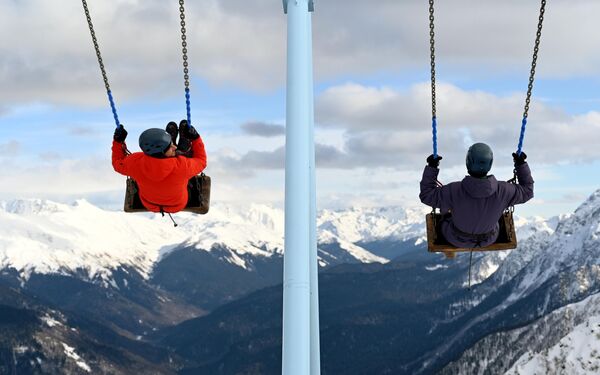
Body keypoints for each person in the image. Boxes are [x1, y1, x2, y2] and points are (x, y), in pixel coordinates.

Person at [419, 143, 534, 248]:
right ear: (490, 164)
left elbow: (426, 195)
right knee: (497, 220)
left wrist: (432, 167)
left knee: (444, 220)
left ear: (468, 162)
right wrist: (521, 164)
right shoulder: (504, 190)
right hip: (489, 239)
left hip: (456, 238)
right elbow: (527, 191)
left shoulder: (453, 190)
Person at [112, 120, 207, 213]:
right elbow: (201, 161)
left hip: (150, 204)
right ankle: (182, 151)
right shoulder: (182, 166)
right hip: (177, 205)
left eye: (171, 144)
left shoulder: (135, 163)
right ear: (161, 152)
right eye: (171, 146)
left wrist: (118, 141)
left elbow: (117, 163)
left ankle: (175, 148)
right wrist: (195, 138)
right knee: (186, 176)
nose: (174, 147)